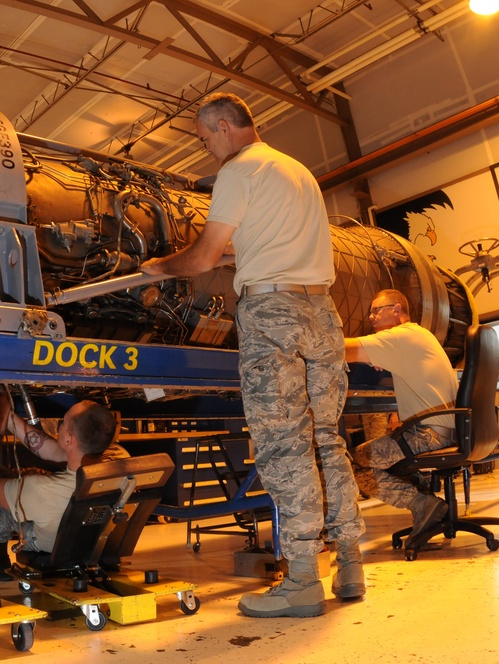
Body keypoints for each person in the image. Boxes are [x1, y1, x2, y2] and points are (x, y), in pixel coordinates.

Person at [140, 92, 365, 617]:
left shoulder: (240, 170)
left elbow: (203, 258)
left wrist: (160, 268)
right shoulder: (296, 171)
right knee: (327, 438)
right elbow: (259, 241)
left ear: (223, 126)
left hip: (273, 314)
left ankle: (304, 579)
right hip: (321, 313)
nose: (206, 147)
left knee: (284, 444)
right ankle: (350, 561)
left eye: (204, 138)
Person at [0, 388, 123, 581]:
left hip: (47, 544)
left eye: (62, 423)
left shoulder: (43, 490)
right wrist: (7, 415)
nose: (59, 426)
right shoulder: (117, 460)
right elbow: (50, 450)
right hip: (89, 539)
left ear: (69, 439)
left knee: (0, 479)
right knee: (27, 479)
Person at [345, 289, 456, 540]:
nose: (371, 317)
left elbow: (344, 349)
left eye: (376, 311)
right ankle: (426, 506)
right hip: (444, 427)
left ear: (396, 310)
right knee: (391, 450)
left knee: (351, 463)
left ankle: (422, 504)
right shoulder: (419, 334)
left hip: (429, 433)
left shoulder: (400, 336)